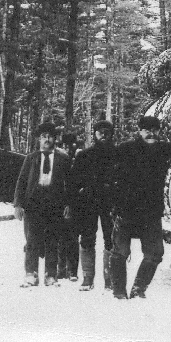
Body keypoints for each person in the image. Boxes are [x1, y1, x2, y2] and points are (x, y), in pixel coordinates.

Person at [110, 116, 171, 300]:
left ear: (159, 131)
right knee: (120, 252)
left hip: (150, 212)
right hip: (125, 209)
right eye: (146, 130)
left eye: (154, 130)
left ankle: (138, 288)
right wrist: (114, 203)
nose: (151, 133)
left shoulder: (161, 149)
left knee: (155, 253)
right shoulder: (125, 149)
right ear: (139, 131)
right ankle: (118, 291)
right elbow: (109, 176)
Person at [13, 121, 71, 288]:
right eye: (44, 136)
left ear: (55, 139)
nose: (47, 139)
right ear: (39, 139)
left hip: (54, 203)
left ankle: (50, 275)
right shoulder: (31, 159)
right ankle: (31, 273)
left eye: (50, 136)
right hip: (33, 204)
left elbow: (70, 184)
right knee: (31, 239)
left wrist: (68, 204)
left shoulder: (62, 160)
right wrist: (18, 204)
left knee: (52, 240)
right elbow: (21, 181)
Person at [69, 119, 118, 291]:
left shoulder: (118, 155)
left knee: (111, 240)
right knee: (87, 239)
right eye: (100, 132)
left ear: (112, 134)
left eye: (107, 132)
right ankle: (88, 279)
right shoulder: (84, 155)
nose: (103, 135)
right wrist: (74, 202)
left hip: (110, 204)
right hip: (87, 203)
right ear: (94, 134)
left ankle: (109, 279)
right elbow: (73, 182)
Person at [56, 130, 80, 282]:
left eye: (70, 144)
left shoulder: (79, 159)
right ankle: (61, 269)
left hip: (76, 204)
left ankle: (72, 271)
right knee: (60, 237)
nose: (67, 147)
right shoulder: (58, 159)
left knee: (72, 238)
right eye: (65, 144)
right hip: (59, 203)